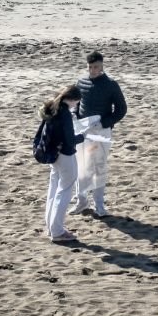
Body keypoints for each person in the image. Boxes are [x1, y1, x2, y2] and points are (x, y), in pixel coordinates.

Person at [70, 51, 127, 217]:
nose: (93, 70)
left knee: (98, 166)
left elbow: (121, 109)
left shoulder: (111, 84)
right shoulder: (81, 82)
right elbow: (76, 103)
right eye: (90, 67)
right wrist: (74, 113)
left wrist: (104, 123)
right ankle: (81, 201)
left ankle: (99, 205)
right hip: (82, 130)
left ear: (102, 66)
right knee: (81, 166)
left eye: (96, 67)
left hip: (100, 132)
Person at [41, 85, 86, 243]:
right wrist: (83, 136)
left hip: (53, 155)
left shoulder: (53, 108)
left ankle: (51, 226)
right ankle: (57, 231)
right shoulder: (65, 113)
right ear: (73, 99)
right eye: (76, 102)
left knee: (53, 189)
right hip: (65, 155)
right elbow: (69, 140)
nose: (76, 105)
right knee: (64, 190)